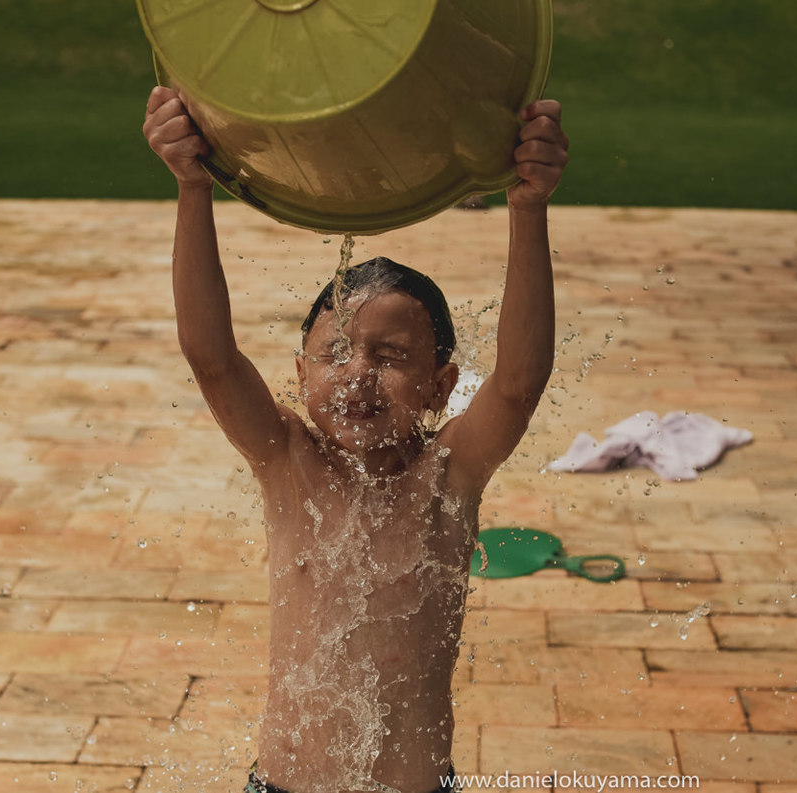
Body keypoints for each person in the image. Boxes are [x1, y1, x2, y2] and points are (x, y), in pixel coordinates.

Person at [142, 86, 569, 793]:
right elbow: (211, 356)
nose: (358, 376)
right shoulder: (287, 461)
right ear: (300, 370)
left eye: (391, 356)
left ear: (439, 385)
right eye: (335, 352)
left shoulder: (449, 475)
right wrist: (193, 188)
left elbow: (520, 382)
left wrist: (527, 208)